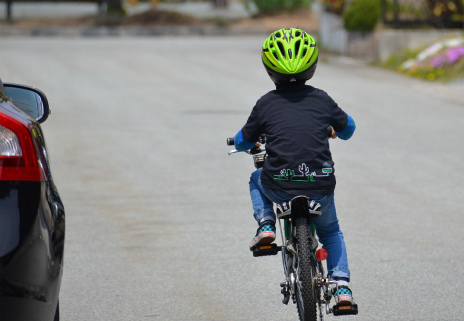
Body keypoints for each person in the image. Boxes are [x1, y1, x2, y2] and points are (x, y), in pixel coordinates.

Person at [233, 28, 357, 307]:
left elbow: (243, 140)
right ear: (312, 65)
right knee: (331, 232)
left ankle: (266, 224)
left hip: (280, 186)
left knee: (256, 177)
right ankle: (342, 289)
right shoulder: (323, 99)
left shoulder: (265, 104)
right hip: (320, 187)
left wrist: (241, 142)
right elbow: (349, 129)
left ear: (269, 68)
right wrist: (333, 128)